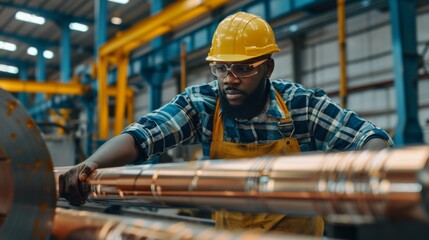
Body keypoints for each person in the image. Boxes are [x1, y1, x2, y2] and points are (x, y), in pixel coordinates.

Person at [60, 12, 393, 236]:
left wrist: (373, 168)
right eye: (221, 69)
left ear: (268, 68)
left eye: (244, 69)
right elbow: (144, 135)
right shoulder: (203, 104)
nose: (230, 80)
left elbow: (368, 138)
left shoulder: (302, 105)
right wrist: (92, 163)